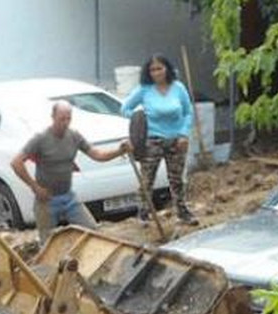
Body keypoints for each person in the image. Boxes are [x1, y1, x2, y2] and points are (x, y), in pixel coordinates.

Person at [11, 101, 130, 242]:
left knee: (93, 232)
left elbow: (97, 155)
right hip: (46, 200)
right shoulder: (40, 139)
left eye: (68, 119)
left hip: (68, 197)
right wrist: (35, 187)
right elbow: (16, 163)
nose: (65, 123)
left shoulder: (74, 136)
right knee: (48, 243)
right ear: (53, 117)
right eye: (62, 119)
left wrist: (119, 150)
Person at [121, 54, 199, 225]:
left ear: (167, 69)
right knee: (147, 179)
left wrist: (184, 134)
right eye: (152, 69)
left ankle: (182, 211)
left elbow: (188, 112)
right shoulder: (144, 89)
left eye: (159, 68)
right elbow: (125, 108)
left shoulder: (178, 87)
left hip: (177, 140)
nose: (156, 73)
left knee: (177, 179)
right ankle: (143, 212)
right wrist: (140, 119)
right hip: (152, 140)